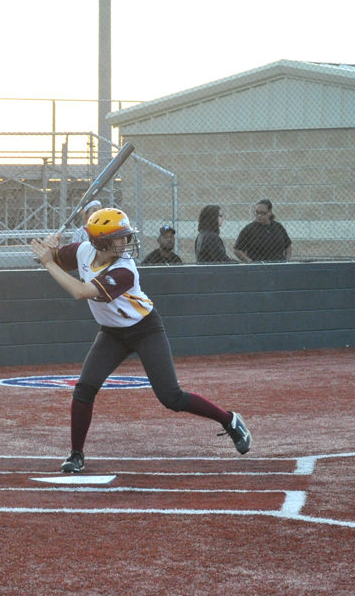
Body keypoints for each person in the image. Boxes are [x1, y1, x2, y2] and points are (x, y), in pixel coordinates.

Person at [28, 207, 252, 474]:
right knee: (85, 388)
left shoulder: (125, 270)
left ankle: (229, 420)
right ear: (100, 241)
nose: (126, 242)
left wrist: (48, 261)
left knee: (171, 397)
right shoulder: (83, 251)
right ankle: (76, 454)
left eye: (125, 235)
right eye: (119, 237)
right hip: (112, 332)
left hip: (145, 329)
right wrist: (50, 250)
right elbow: (51, 260)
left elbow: (79, 291)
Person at [234, 199, 292, 263]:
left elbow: (288, 246)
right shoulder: (249, 229)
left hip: (278, 264)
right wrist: (249, 261)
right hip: (259, 266)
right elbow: (237, 250)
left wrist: (287, 261)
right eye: (257, 212)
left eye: (262, 213)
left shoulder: (278, 227)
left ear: (269, 212)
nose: (259, 216)